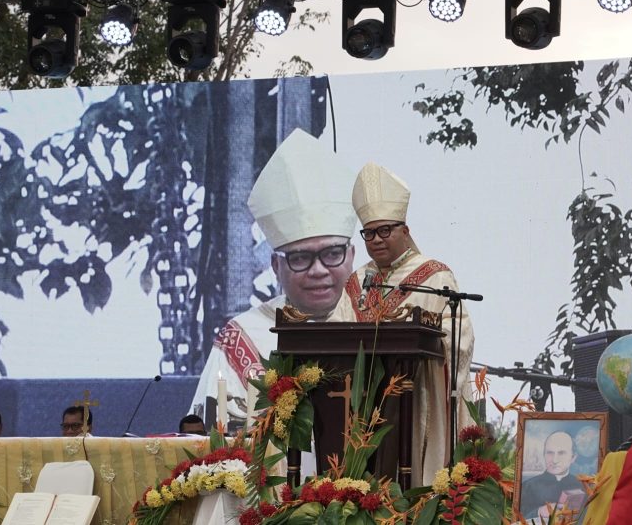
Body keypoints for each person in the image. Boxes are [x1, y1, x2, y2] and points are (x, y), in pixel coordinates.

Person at [190, 128, 358, 430]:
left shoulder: (380, 328)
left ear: (351, 256)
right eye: (300, 258)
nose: (318, 270)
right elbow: (211, 444)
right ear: (275, 266)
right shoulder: (241, 338)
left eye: (332, 253)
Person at [332, 162, 475, 487]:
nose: (376, 240)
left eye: (385, 231)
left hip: (419, 396)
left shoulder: (435, 276)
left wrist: (430, 343)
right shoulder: (357, 282)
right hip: (362, 405)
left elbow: (460, 340)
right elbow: (337, 337)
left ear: (405, 231)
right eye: (369, 233)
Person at [520, 431, 584, 520]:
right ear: (544, 454)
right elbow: (516, 519)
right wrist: (539, 512)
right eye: (550, 453)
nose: (554, 460)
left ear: (573, 457)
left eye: (561, 453)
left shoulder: (583, 486)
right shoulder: (527, 486)